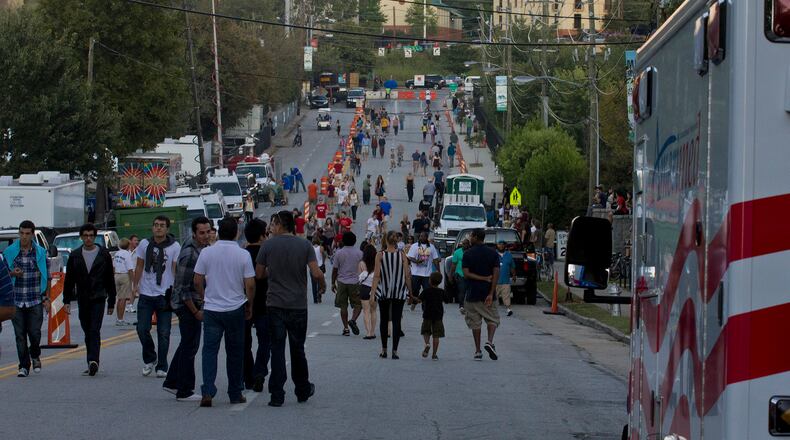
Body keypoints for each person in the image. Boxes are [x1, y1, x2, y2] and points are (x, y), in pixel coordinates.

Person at [256, 210, 326, 407]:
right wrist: (322, 286)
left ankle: (277, 394)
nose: (270, 228)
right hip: (297, 305)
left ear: (279, 224)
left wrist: (274, 270)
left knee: (277, 349)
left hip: (275, 305)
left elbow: (259, 274)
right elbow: (315, 272)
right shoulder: (305, 245)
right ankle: (302, 388)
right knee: (297, 349)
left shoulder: (267, 245)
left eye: (272, 224)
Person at [193, 218, 255, 407]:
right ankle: (235, 392)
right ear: (237, 232)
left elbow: (197, 280)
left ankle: (208, 391)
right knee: (235, 352)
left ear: (218, 232)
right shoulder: (243, 254)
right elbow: (250, 284)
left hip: (212, 308)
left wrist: (205, 297)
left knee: (209, 351)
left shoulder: (206, 252)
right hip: (235, 307)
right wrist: (249, 304)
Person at [162, 216, 211, 401]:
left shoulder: (202, 248)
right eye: (202, 233)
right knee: (190, 346)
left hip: (193, 302)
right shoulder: (190, 253)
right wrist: (196, 311)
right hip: (187, 304)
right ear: (194, 233)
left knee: (186, 344)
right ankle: (184, 390)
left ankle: (172, 381)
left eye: (208, 232)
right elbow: (182, 288)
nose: (205, 236)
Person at [63, 223, 117, 376]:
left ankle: (94, 360)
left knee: (94, 329)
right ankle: (90, 361)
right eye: (85, 236)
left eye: (91, 236)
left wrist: (111, 301)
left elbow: (109, 279)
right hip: (83, 298)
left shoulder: (103, 254)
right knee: (87, 330)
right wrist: (66, 300)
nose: (88, 238)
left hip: (99, 297)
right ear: (81, 237)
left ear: (95, 237)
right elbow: (69, 280)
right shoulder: (75, 255)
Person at [133, 215, 182, 377]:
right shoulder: (144, 244)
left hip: (164, 294)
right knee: (142, 328)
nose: (158, 228)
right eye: (155, 225)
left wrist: (176, 290)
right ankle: (150, 358)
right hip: (146, 293)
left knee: (164, 332)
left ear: (167, 228)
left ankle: (162, 365)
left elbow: (175, 269)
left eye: (162, 225)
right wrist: (135, 287)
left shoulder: (175, 246)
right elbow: (139, 265)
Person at [3, 220, 50, 377]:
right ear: (19, 233)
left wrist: (47, 298)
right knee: (20, 335)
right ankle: (23, 366)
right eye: (21, 233)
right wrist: (12, 273)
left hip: (35, 299)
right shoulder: (9, 252)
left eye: (27, 234)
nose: (24, 237)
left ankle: (35, 355)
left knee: (35, 333)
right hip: (16, 300)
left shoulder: (40, 253)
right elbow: (2, 275)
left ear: (32, 234)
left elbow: (47, 276)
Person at [369, 231, 413, 359]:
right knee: (397, 320)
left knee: (384, 320)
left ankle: (384, 350)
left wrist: (372, 294)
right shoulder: (402, 255)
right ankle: (395, 351)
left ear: (386, 241)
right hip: (399, 292)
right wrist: (410, 292)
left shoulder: (380, 255)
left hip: (384, 291)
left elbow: (376, 275)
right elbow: (407, 275)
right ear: (396, 242)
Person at [462, 229, 501, 361]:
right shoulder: (493, 253)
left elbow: (466, 273)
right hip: (488, 294)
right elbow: (496, 273)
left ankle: (478, 350)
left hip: (472, 293)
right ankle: (489, 341)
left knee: (475, 323)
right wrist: (491, 292)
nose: (470, 238)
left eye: (471, 236)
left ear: (475, 237)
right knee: (493, 319)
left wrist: (481, 278)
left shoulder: (467, 254)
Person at [242, 219, 271, 393]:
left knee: (245, 343)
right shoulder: (268, 254)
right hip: (265, 303)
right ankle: (259, 371)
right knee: (265, 341)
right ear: (262, 236)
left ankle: (248, 377)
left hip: (243, 302)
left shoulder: (242, 254)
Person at [331, 232, 363, 336]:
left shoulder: (339, 253)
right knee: (359, 304)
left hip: (342, 282)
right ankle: (353, 320)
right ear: (355, 241)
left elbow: (335, 269)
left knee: (343, 306)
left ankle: (345, 328)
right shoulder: (360, 253)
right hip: (355, 282)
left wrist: (332, 283)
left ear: (343, 241)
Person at [406, 232, 440, 311]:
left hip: (427, 274)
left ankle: (425, 307)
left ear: (426, 237)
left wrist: (438, 270)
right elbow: (410, 257)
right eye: (420, 236)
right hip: (416, 273)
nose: (421, 238)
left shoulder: (431, 247)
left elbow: (435, 259)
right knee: (415, 290)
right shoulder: (414, 246)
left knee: (427, 291)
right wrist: (416, 261)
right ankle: (414, 302)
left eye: (423, 236)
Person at [419, 272, 445, 361]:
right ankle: (434, 355)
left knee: (426, 331)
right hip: (438, 316)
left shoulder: (426, 291)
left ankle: (427, 344)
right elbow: (447, 300)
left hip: (427, 314)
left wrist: (412, 298)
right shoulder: (441, 291)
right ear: (440, 282)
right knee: (436, 335)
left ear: (430, 281)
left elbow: (419, 299)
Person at [112, 238, 136, 325]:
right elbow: (130, 269)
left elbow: (113, 266)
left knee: (119, 298)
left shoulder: (117, 253)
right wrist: (134, 281)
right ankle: (120, 319)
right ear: (128, 245)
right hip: (124, 275)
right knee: (123, 299)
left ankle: (118, 318)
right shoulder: (127, 254)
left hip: (116, 275)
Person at [357, 244, 377, 339]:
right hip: (374, 288)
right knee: (373, 311)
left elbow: (359, 277)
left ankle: (368, 332)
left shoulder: (361, 263)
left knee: (366, 311)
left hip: (364, 288)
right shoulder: (377, 263)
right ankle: (373, 332)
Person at [495, 241, 516, 317]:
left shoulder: (509, 255)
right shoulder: (494, 254)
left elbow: (512, 266)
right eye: (499, 244)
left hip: (505, 280)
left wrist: (514, 275)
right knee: (495, 296)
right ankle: (495, 311)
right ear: (497, 245)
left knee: (506, 295)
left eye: (502, 244)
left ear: (505, 246)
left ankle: (508, 309)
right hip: (495, 281)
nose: (501, 246)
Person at [449, 239, 470, 312]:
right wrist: (450, 275)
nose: (465, 245)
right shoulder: (457, 252)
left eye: (466, 244)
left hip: (470, 275)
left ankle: (469, 306)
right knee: (462, 290)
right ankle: (461, 306)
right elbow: (453, 265)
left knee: (469, 291)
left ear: (469, 244)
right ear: (461, 244)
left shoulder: (471, 252)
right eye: (463, 244)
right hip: (460, 274)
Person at [311, 236, 327, 304]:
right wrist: (323, 262)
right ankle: (319, 296)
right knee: (320, 283)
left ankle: (315, 299)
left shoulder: (311, 248)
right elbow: (324, 255)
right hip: (320, 266)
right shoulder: (321, 248)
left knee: (313, 283)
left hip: (313, 267)